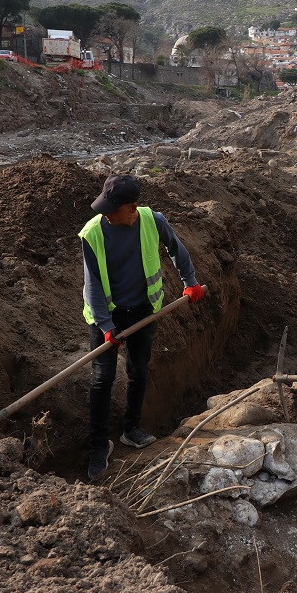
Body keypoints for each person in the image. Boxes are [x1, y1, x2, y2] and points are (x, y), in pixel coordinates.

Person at [80, 174, 204, 479]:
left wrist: (191, 282)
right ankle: (99, 444)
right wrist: (107, 326)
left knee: (139, 369)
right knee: (101, 378)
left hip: (143, 311)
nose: (105, 213)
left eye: (112, 208)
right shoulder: (93, 233)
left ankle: (131, 428)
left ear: (132, 206)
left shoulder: (152, 220)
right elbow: (92, 286)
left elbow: (177, 249)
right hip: (105, 316)